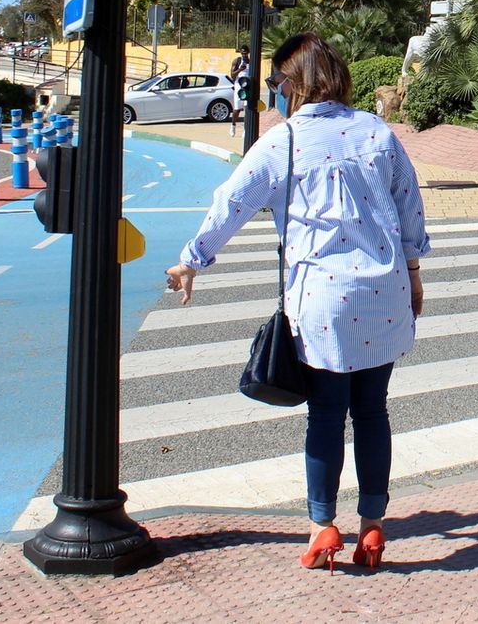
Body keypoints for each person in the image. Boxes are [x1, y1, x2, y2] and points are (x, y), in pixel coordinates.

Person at [166, 32, 430, 573]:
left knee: (327, 416)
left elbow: (232, 203)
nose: (275, 91)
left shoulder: (281, 142)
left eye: (276, 81)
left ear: (296, 82)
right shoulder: (377, 132)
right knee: (373, 412)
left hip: (322, 300)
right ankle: (373, 527)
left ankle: (321, 527)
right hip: (383, 291)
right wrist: (414, 273)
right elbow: (410, 206)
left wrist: (192, 259)